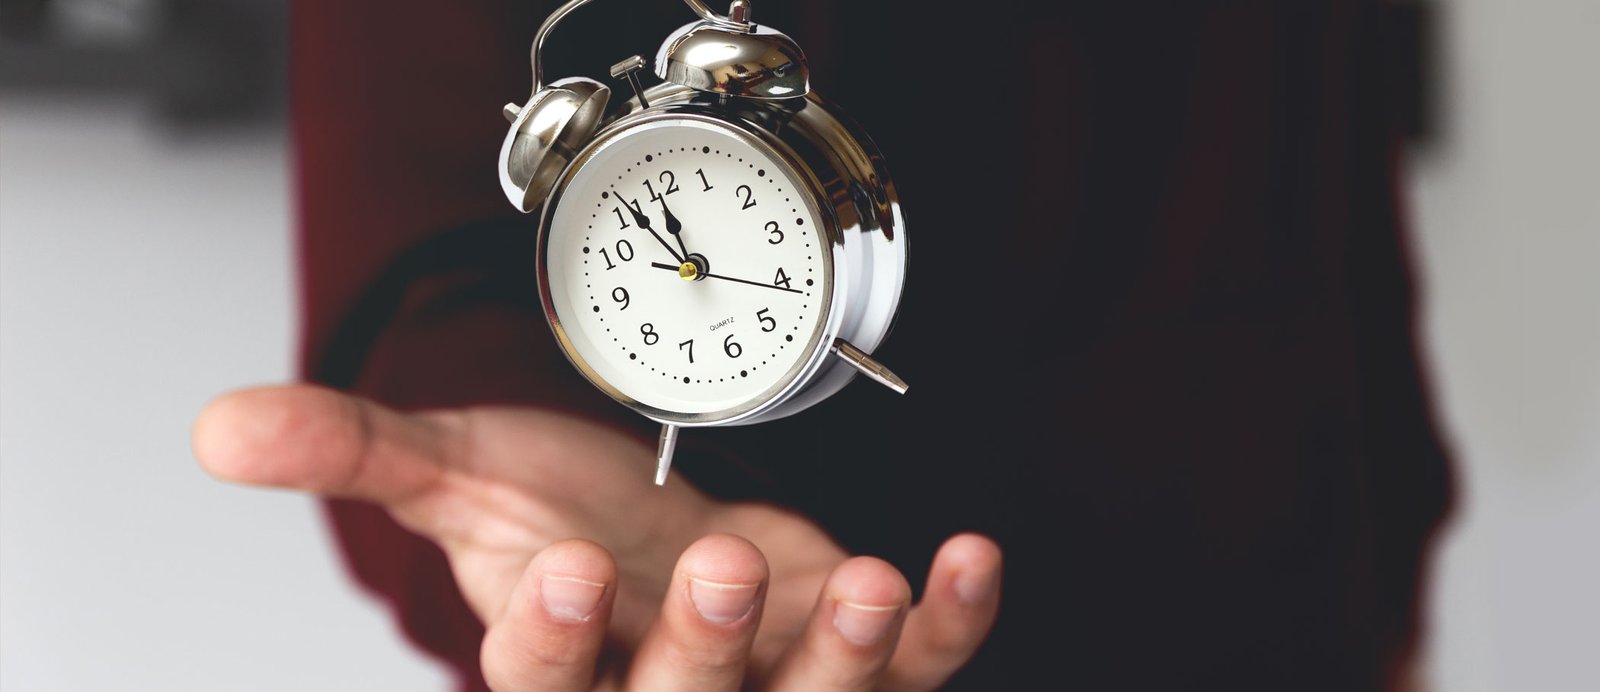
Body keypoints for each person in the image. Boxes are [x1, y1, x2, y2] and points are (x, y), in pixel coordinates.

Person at [193, 2, 1452, 690]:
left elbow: (1318, 141)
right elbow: (411, 197)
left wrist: (1384, 548)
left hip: (1263, 605)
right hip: (731, 614)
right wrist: (535, 462)